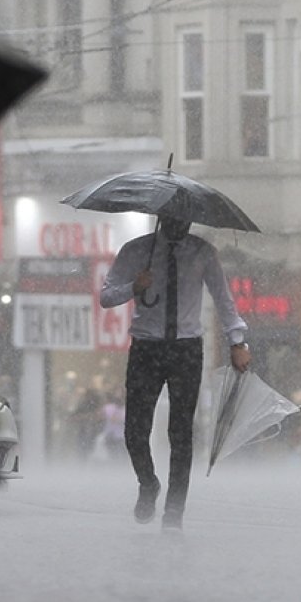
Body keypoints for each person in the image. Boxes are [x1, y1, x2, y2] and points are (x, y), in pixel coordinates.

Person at [100, 216, 250, 530]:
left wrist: (237, 340)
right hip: (146, 347)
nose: (180, 222)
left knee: (181, 435)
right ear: (161, 215)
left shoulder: (202, 252)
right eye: (173, 214)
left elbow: (223, 299)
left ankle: (174, 512)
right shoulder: (136, 250)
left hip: (185, 350)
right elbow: (106, 296)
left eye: (185, 216)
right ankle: (148, 482)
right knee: (134, 432)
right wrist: (134, 287)